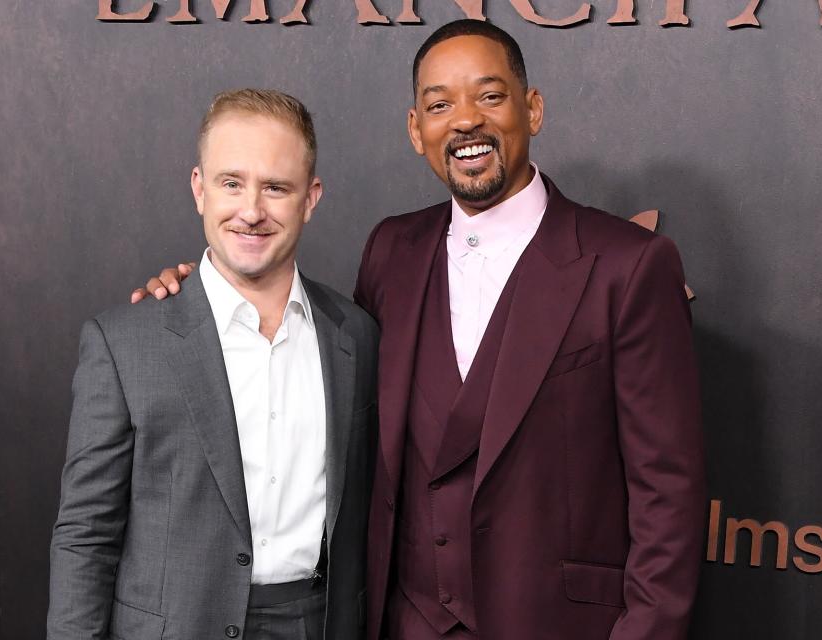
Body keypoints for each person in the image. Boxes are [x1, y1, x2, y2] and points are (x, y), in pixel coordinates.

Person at [135, 20, 705, 640]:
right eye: (439, 105)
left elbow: (668, 494)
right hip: (401, 621)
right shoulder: (391, 251)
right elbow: (324, 372)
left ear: (532, 108)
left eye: (489, 96)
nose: (464, 121)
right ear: (416, 130)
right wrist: (203, 290)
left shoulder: (628, 263)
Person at [48, 89, 378, 640]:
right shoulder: (124, 341)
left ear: (311, 198)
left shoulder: (355, 334)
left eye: (276, 187)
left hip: (317, 623)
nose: (251, 210)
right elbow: (86, 535)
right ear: (200, 188)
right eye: (232, 183)